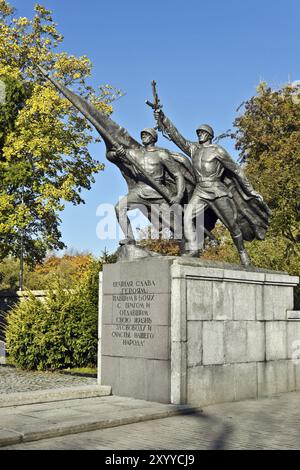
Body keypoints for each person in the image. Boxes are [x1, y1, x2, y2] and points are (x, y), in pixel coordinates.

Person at [154, 110, 267, 266]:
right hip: (200, 191)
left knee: (232, 225)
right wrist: (163, 118)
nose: (200, 134)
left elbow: (236, 170)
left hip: (217, 191)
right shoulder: (194, 149)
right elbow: (177, 137)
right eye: (199, 132)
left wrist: (250, 190)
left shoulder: (217, 150)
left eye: (203, 132)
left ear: (210, 135)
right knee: (187, 217)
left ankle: (242, 253)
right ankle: (194, 249)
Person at [107, 128, 185, 245]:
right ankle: (130, 238)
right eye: (142, 134)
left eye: (146, 134)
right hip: (139, 190)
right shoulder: (134, 153)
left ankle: (187, 244)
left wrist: (179, 195)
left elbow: (178, 175)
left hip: (157, 191)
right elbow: (110, 156)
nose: (143, 136)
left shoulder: (161, 154)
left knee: (173, 224)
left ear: (153, 138)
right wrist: (117, 153)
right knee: (119, 208)